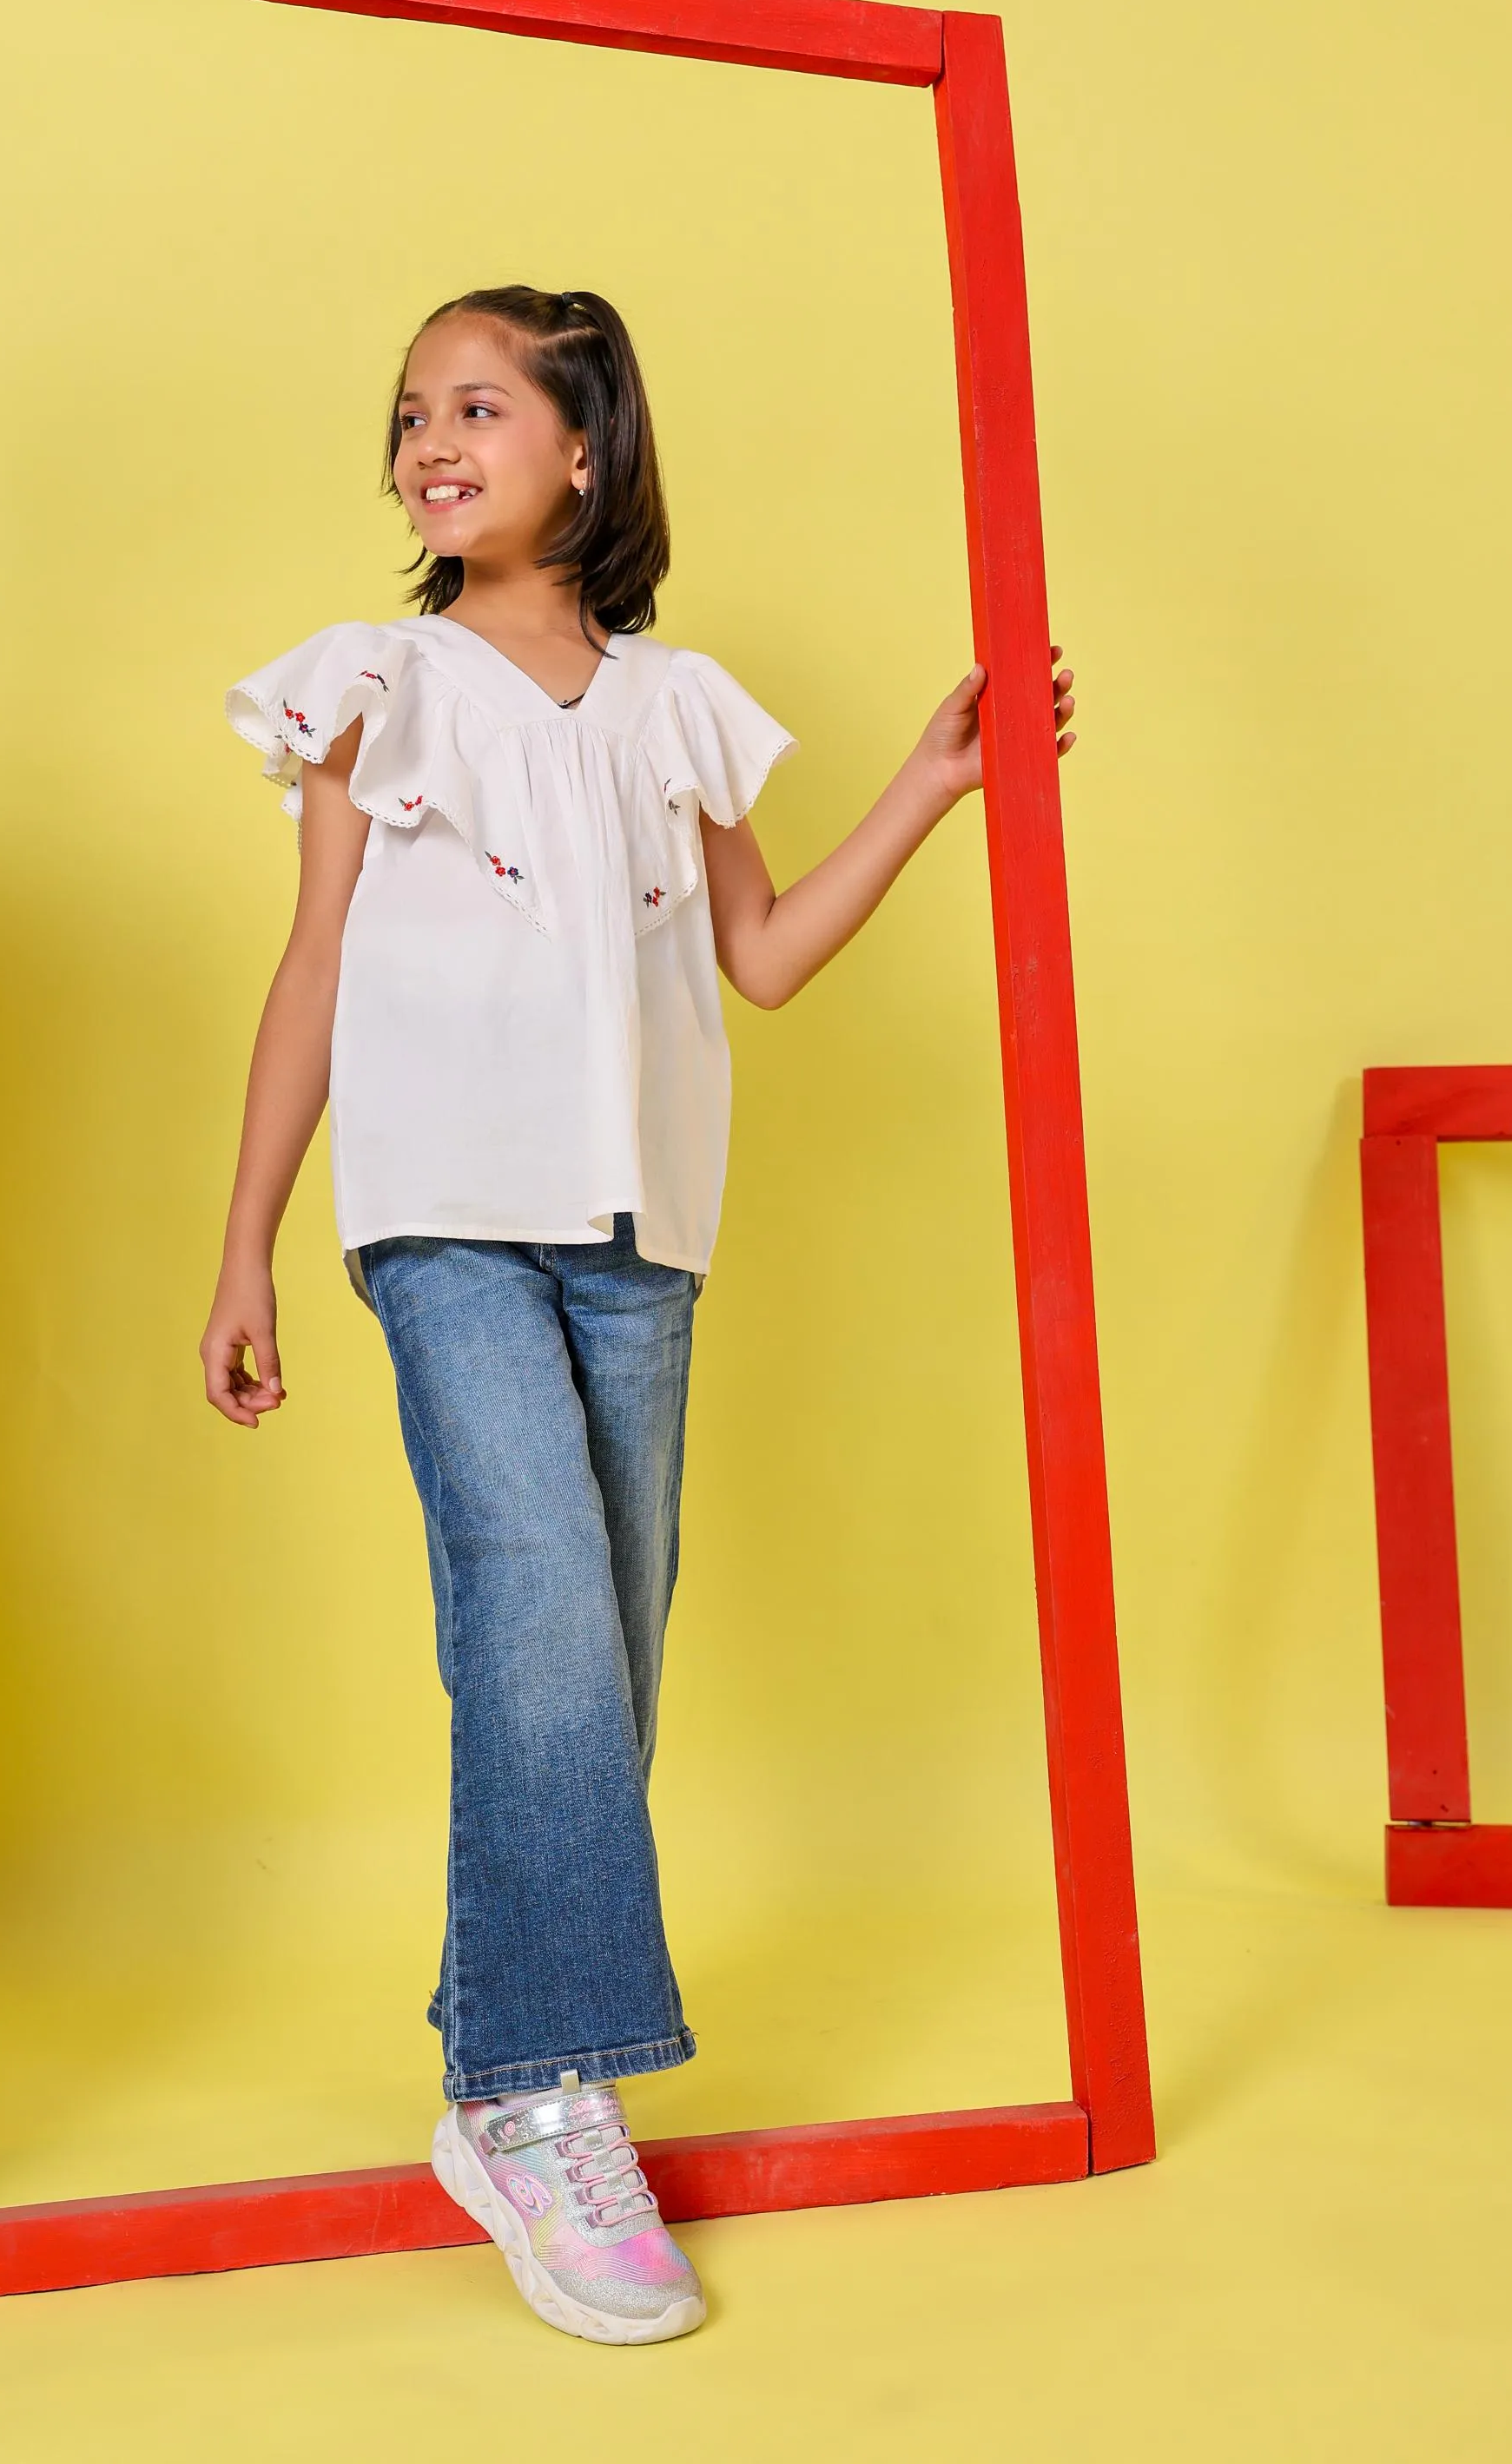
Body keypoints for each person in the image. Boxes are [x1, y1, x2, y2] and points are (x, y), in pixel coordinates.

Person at [201, 283, 1077, 2346]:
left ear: (583, 451)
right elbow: (313, 965)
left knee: (603, 1653)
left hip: (638, 1234)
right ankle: (531, 2097)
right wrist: (244, 1240)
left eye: (480, 404)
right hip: (444, 1220)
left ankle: (518, 2061)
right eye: (412, 407)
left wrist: (931, 786)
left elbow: (761, 955)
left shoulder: (676, 704)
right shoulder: (376, 685)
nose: (432, 434)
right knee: (532, 1617)